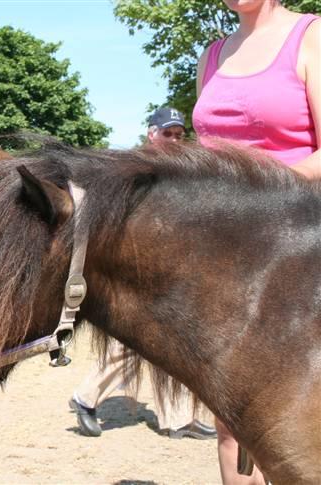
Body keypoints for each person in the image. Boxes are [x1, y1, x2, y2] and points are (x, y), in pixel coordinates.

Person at [193, 1, 320, 483]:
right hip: (226, 254)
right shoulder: (213, 55)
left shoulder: (312, 36)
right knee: (231, 422)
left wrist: (254, 191)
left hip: (300, 248)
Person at [69, 107, 217, 441]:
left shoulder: (182, 170)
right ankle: (86, 397)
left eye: (180, 134)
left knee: (175, 346)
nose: (175, 139)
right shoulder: (134, 169)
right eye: (168, 133)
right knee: (144, 344)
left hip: (176, 269)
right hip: (141, 273)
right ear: (152, 133)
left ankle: (177, 420)